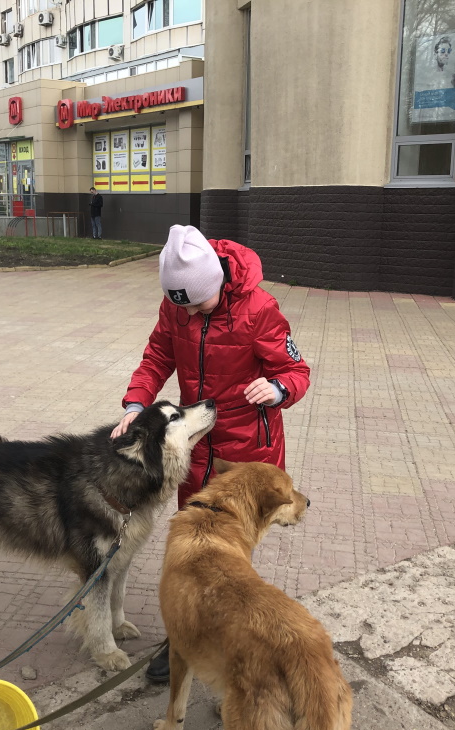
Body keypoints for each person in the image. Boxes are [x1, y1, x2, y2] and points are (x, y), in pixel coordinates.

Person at [110, 224, 311, 683]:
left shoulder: (259, 309)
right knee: (190, 548)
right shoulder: (178, 307)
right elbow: (157, 357)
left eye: (200, 304)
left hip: (247, 451)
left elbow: (296, 369)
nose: (192, 313)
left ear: (218, 280)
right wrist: (136, 403)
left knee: (229, 554)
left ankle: (231, 639)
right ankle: (181, 639)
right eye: (183, 306)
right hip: (197, 447)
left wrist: (279, 388)